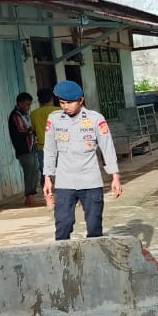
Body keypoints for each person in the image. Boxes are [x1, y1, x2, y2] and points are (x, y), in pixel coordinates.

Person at [42, 80, 121, 240]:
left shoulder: (95, 119)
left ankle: (93, 255)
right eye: (62, 103)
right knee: (63, 225)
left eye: (69, 103)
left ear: (81, 100)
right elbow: (49, 149)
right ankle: (64, 255)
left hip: (90, 181)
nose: (65, 106)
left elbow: (107, 147)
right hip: (65, 181)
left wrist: (115, 176)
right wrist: (47, 178)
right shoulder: (54, 119)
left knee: (94, 226)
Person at [8, 92, 40, 207]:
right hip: (23, 148)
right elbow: (21, 131)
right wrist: (32, 130)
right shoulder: (15, 115)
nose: (29, 107)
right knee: (29, 172)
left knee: (35, 170)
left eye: (30, 104)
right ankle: (29, 196)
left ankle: (31, 195)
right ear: (20, 103)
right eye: (27, 104)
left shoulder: (24, 114)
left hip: (31, 146)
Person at [31, 87, 56, 181]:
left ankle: (47, 190)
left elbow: (33, 131)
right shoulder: (59, 111)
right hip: (60, 146)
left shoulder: (34, 114)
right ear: (51, 98)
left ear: (39, 100)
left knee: (46, 176)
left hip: (42, 148)